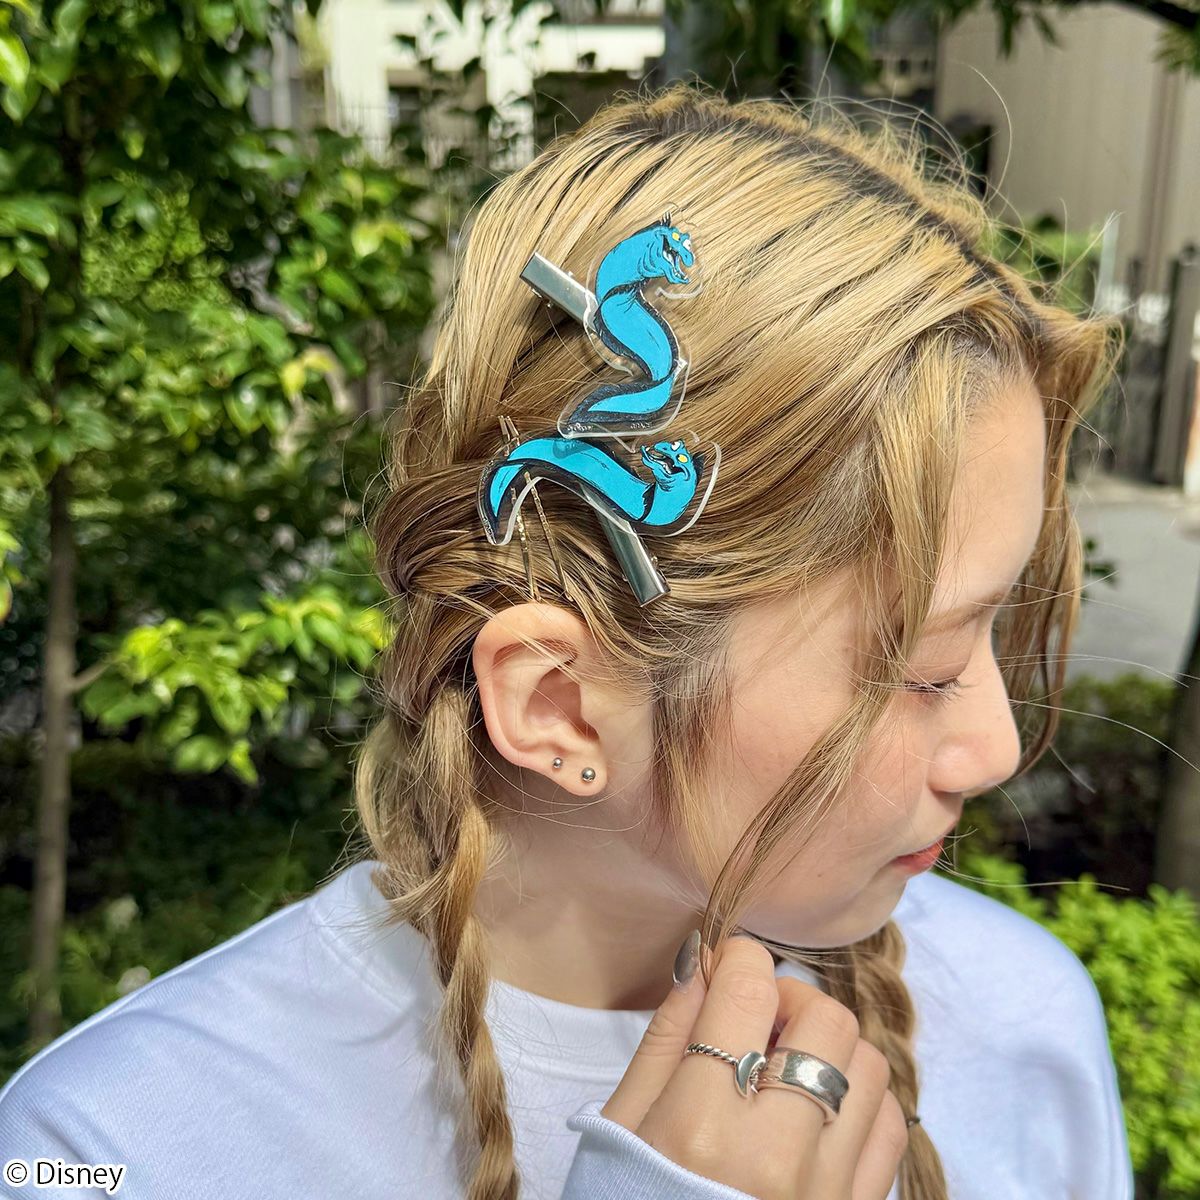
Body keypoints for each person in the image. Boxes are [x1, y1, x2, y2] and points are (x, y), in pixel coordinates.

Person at [0, 83, 1133, 1200]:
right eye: (922, 669)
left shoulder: (1026, 1026)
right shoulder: (110, 1150)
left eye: (994, 632)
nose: (996, 748)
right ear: (558, 705)